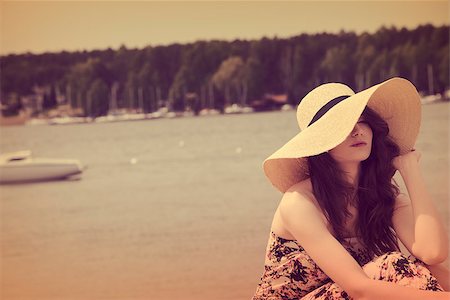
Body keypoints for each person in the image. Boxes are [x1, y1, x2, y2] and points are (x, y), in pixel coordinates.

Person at [252, 77, 449, 299]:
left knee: (428, 269)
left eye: (363, 120)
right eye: (342, 126)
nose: (357, 130)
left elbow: (433, 253)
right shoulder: (299, 201)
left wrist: (411, 172)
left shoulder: (380, 195)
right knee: (392, 265)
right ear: (320, 144)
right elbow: (360, 289)